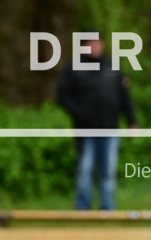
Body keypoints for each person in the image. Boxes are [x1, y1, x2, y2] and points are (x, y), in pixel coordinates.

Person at [56, 31, 138, 211]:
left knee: (108, 171)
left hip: (110, 128)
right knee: (85, 170)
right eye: (91, 43)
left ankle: (107, 207)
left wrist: (132, 121)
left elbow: (124, 96)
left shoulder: (111, 66)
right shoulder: (74, 67)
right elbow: (63, 97)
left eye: (98, 42)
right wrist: (81, 113)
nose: (95, 46)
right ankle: (83, 208)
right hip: (85, 130)